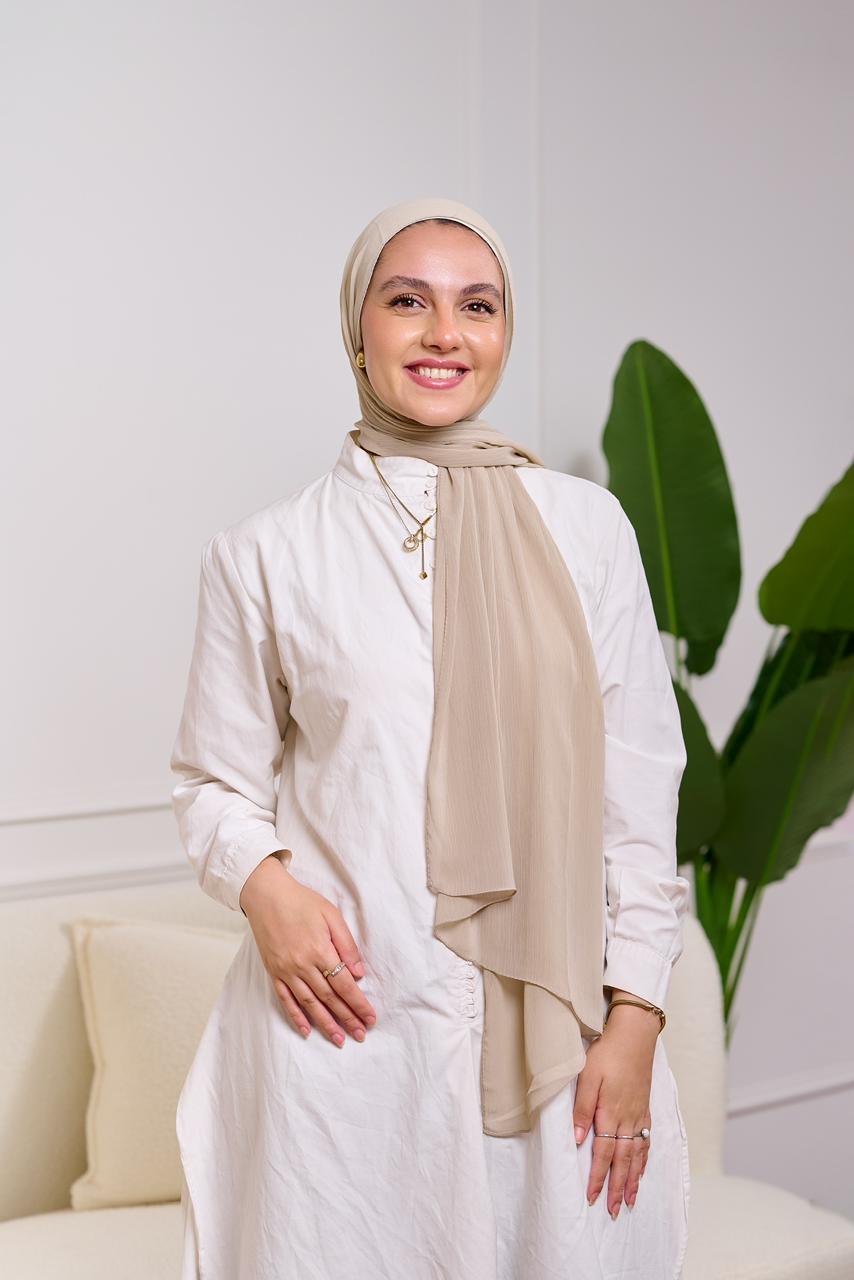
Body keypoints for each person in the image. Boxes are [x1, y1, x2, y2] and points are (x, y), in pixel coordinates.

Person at [170, 196, 691, 1280]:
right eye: (407, 301)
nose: (444, 333)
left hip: (563, 1036)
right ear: (356, 330)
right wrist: (266, 890)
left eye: (477, 305)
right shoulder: (268, 552)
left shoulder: (586, 529)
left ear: (505, 330)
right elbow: (214, 782)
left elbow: (640, 789)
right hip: (345, 1034)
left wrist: (637, 1014)